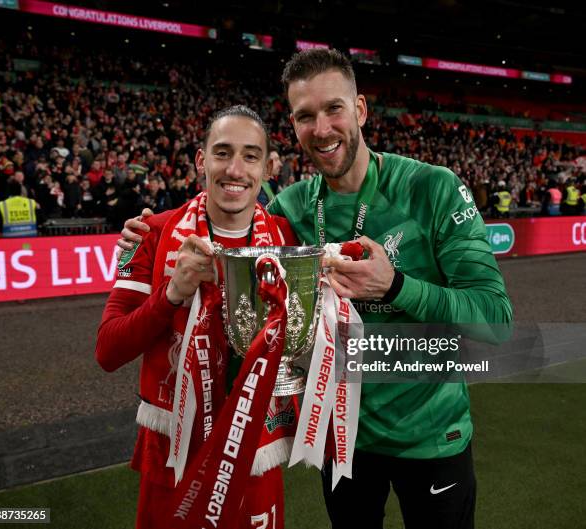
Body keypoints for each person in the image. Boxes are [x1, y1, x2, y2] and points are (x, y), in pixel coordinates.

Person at [121, 50, 512, 529]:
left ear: (361, 110)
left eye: (334, 109)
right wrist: (153, 229)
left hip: (431, 438)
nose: (322, 128)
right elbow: (228, 206)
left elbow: (495, 321)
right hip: (337, 440)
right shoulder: (292, 208)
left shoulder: (434, 188)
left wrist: (397, 287)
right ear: (294, 125)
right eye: (306, 116)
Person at [96, 105, 299, 529]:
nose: (235, 169)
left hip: (254, 451)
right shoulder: (149, 233)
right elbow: (108, 351)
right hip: (173, 452)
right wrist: (171, 294)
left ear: (266, 166)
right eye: (222, 152)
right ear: (200, 160)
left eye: (250, 155)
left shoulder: (286, 237)